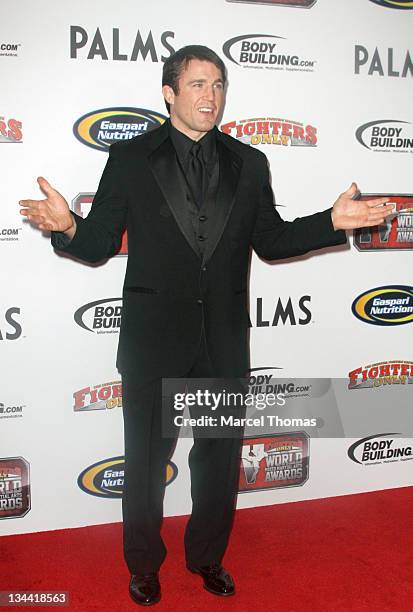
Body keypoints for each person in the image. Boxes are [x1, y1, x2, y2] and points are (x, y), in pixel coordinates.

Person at [19, 45, 393, 606]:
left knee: (218, 463)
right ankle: (144, 565)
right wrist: (68, 224)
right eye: (196, 84)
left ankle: (207, 558)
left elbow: (270, 242)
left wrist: (330, 223)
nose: (209, 96)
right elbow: (97, 245)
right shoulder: (130, 158)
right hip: (153, 343)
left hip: (221, 342)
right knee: (146, 464)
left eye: (217, 85)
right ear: (169, 93)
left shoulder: (249, 163)